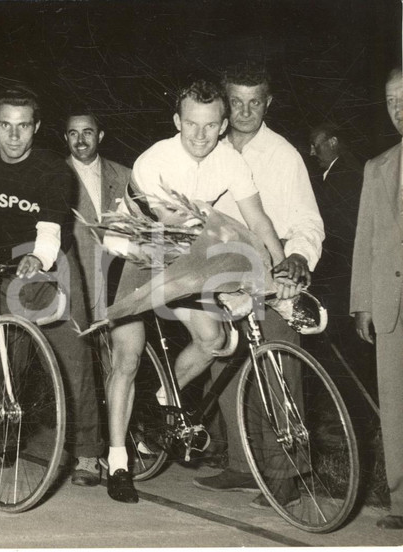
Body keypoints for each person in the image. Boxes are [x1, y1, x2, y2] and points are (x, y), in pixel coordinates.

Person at [105, 79, 287, 503]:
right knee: (127, 356)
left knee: (216, 340)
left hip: (184, 252)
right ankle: (116, 462)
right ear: (176, 121)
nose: (200, 136)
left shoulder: (230, 160)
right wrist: (230, 282)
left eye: (209, 126)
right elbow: (173, 236)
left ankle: (164, 398)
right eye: (191, 125)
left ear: (223, 125)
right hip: (137, 250)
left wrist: (276, 273)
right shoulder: (155, 161)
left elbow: (258, 221)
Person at [193, 63, 325, 510]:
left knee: (276, 368)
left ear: (268, 103)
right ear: (224, 103)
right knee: (225, 361)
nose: (245, 111)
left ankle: (287, 471)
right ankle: (241, 462)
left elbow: (307, 219)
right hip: (219, 267)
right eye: (236, 101)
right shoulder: (209, 147)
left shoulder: (284, 155)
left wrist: (298, 257)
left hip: (271, 272)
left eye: (255, 102)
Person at [0, 86, 104, 487]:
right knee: (5, 358)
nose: (14, 136)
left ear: (37, 128)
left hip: (52, 264)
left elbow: (49, 228)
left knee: (73, 358)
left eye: (24, 126)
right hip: (2, 268)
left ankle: (87, 454)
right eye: (7, 126)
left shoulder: (52, 168)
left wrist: (39, 258)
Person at [350, 67, 403, 531]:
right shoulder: (378, 166)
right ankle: (401, 502)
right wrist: (363, 302)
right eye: (390, 100)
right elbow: (366, 238)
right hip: (391, 305)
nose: (398, 109)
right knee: (395, 403)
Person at [308, 122, 374, 390]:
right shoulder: (333, 175)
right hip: (338, 278)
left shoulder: (345, 176)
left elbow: (345, 233)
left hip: (342, 279)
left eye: (317, 144)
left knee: (351, 349)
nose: (312, 152)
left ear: (333, 142)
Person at [65, 109, 131, 322]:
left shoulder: (126, 175)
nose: (80, 140)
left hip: (120, 282)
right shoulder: (54, 176)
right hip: (77, 284)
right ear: (66, 137)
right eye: (73, 133)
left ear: (100, 136)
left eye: (87, 132)